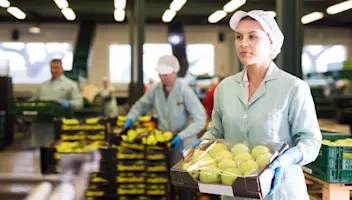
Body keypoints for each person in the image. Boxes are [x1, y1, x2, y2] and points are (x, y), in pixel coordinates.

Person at [183, 10, 322, 200]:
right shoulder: (225, 88)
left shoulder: (294, 88)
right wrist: (201, 146)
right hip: (235, 190)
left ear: (271, 41)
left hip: (279, 191)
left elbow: (311, 141)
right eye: (239, 37)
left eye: (253, 37)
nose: (243, 43)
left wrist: (291, 157)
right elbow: (216, 132)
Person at [124, 55, 206, 199]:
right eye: (160, 74)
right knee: (168, 180)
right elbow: (141, 105)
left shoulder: (184, 90)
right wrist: (131, 117)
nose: (162, 78)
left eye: (166, 74)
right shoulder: (155, 89)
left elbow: (200, 119)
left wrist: (181, 136)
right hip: (165, 141)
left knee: (184, 182)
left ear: (174, 72)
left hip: (184, 143)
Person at [31, 59, 83, 147]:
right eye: (51, 67)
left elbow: (79, 102)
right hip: (42, 123)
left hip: (61, 123)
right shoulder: (43, 85)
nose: (53, 70)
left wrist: (69, 104)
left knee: (60, 151)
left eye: (56, 67)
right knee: (44, 150)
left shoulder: (71, 84)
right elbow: (34, 101)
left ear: (62, 68)